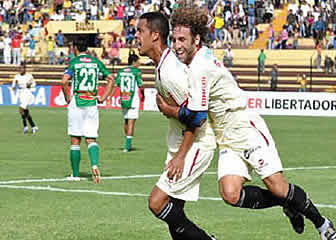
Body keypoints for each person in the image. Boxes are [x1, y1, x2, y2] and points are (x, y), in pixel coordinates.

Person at [157, 4, 336, 240]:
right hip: (226, 137)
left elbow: (197, 116)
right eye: (174, 39)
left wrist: (168, 109)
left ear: (196, 39)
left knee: (279, 187)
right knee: (230, 194)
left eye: (182, 39)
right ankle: (289, 204)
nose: (177, 45)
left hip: (244, 127)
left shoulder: (199, 67)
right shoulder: (197, 59)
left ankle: (323, 225)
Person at [135, 11, 217, 240]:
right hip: (183, 143)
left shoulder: (171, 70)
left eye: (140, 31)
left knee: (157, 203)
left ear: (155, 35)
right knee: (175, 210)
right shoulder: (162, 66)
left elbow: (197, 117)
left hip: (196, 144)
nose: (136, 37)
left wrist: (181, 156)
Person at [61, 38, 115, 183]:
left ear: (75, 49)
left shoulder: (74, 62)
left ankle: (76, 175)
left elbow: (64, 81)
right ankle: (95, 165)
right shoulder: (96, 62)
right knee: (91, 138)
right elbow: (111, 78)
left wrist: (67, 97)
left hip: (77, 102)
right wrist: (103, 97)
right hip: (91, 102)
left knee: (75, 140)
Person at [115, 52, 144, 152]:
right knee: (131, 122)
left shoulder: (121, 71)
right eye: (138, 61)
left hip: (124, 97)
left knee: (126, 121)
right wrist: (143, 95)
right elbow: (140, 85)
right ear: (134, 62)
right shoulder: (136, 71)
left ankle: (128, 143)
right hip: (133, 99)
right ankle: (127, 146)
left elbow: (117, 84)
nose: (139, 63)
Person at [10, 62, 38, 134]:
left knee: (21, 109)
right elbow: (13, 84)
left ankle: (26, 126)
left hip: (27, 92)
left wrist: (30, 85)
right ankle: (33, 126)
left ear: (25, 68)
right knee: (25, 111)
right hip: (20, 93)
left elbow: (34, 84)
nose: (20, 69)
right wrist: (13, 87)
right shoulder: (17, 76)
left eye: (22, 68)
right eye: (19, 68)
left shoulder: (29, 76)